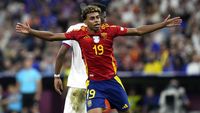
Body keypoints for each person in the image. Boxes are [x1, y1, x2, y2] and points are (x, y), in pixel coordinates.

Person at [16, 5, 182, 113]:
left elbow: (138, 30)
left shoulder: (109, 30)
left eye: (98, 17)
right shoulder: (78, 34)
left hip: (112, 81)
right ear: (85, 21)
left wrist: (162, 24)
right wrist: (32, 32)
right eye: (92, 18)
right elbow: (52, 36)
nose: (97, 20)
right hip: (94, 84)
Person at [53, 3, 115, 113]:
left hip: (78, 85)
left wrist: (57, 76)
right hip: (99, 86)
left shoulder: (74, 29)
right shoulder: (107, 32)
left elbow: (61, 54)